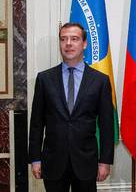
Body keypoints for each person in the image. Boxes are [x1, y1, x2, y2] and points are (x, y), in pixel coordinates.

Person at [29, 23, 114, 192]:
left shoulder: (100, 81)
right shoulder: (44, 79)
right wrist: (35, 159)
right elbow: (37, 123)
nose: (68, 43)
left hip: (86, 163)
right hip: (52, 162)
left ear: (84, 44)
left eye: (74, 39)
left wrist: (105, 161)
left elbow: (106, 126)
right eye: (63, 39)